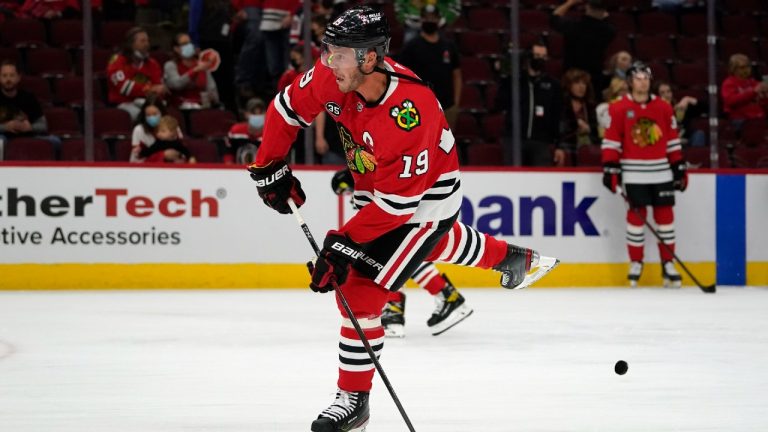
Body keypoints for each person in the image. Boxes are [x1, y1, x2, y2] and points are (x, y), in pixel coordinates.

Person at [245, 6, 542, 431]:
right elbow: (287, 107)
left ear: (369, 58)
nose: (329, 61)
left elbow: (398, 209)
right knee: (425, 249)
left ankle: (354, 400)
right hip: (381, 188)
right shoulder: (333, 73)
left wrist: (340, 244)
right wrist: (269, 165)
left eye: (340, 54)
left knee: (360, 284)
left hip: (425, 203)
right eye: (328, 51)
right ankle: (511, 258)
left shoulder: (409, 110)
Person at [331, 168, 473, 338]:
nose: (348, 195)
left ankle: (397, 312)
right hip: (427, 212)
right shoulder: (372, 174)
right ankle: (446, 296)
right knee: (399, 258)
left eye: (347, 191)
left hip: (419, 215)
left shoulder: (370, 180)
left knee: (385, 260)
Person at [601, 61, 687, 288]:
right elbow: (612, 140)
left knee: (665, 220)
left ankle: (668, 264)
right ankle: (636, 263)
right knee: (636, 219)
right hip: (634, 172)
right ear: (630, 82)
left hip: (661, 171)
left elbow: (672, 140)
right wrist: (611, 167)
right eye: (638, 78)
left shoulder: (664, 107)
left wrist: (678, 166)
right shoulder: (618, 108)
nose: (643, 81)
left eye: (646, 77)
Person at [495, 40, 562, 166]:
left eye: (544, 57)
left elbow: (557, 115)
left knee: (540, 181)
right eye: (537, 56)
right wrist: (504, 72)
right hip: (514, 140)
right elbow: (499, 103)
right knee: (513, 179)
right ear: (529, 57)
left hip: (541, 141)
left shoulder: (553, 85)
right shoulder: (514, 80)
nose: (541, 60)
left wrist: (559, 145)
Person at [396, 4, 462, 130]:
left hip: (447, 106)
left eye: (433, 18)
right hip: (420, 106)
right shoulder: (411, 47)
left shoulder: (448, 46)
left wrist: (456, 103)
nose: (430, 21)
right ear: (421, 20)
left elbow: (457, 75)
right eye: (426, 18)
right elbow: (401, 76)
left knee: (446, 147)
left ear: (438, 20)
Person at [0, 60, 61, 157]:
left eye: (12, 75)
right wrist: (5, 127)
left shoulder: (28, 97)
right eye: (4, 76)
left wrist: (29, 127)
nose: (8, 79)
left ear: (18, 77)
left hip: (27, 134)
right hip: (3, 136)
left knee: (55, 141)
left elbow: (43, 125)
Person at [550, 0, 615, 88]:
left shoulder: (574, 27)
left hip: (572, 77)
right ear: (604, 11)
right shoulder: (609, 31)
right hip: (594, 79)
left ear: (587, 7)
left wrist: (570, 2)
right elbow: (605, 20)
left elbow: (554, 18)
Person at [107, 27, 166, 120]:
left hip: (147, 102)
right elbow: (125, 87)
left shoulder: (152, 63)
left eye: (147, 41)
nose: (147, 44)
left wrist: (154, 90)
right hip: (124, 103)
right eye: (142, 41)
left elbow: (159, 88)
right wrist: (150, 89)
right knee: (142, 116)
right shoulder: (117, 61)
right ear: (131, 44)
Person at [163, 32, 220, 110]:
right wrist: (195, 71)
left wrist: (212, 98)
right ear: (176, 48)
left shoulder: (201, 64)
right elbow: (176, 84)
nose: (189, 46)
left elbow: (212, 88)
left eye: (189, 43)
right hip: (180, 109)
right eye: (184, 44)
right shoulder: (171, 65)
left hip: (202, 108)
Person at [560, 68, 599, 164]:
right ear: (568, 85)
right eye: (577, 83)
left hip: (586, 147)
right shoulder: (561, 104)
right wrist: (575, 125)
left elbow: (597, 130)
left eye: (584, 83)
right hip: (566, 145)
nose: (581, 87)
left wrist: (588, 128)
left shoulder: (590, 106)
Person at [720, 53, 768, 128]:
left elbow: (764, 105)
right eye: (742, 67)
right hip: (740, 120)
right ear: (733, 69)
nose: (746, 70)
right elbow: (730, 101)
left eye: (748, 66)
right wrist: (753, 92)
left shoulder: (754, 83)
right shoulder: (729, 83)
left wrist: (765, 96)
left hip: (759, 118)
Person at [656, 81, 704, 147]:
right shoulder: (654, 111)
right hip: (668, 145)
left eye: (668, 91)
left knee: (699, 134)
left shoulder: (681, 108)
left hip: (686, 143)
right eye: (662, 93)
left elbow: (707, 108)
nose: (666, 95)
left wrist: (688, 99)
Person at [224, 97, 265, 164]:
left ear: (266, 114)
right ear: (246, 114)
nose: (257, 116)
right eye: (253, 113)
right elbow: (228, 153)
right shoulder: (236, 132)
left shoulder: (270, 136)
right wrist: (229, 167)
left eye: (260, 113)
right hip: (237, 172)